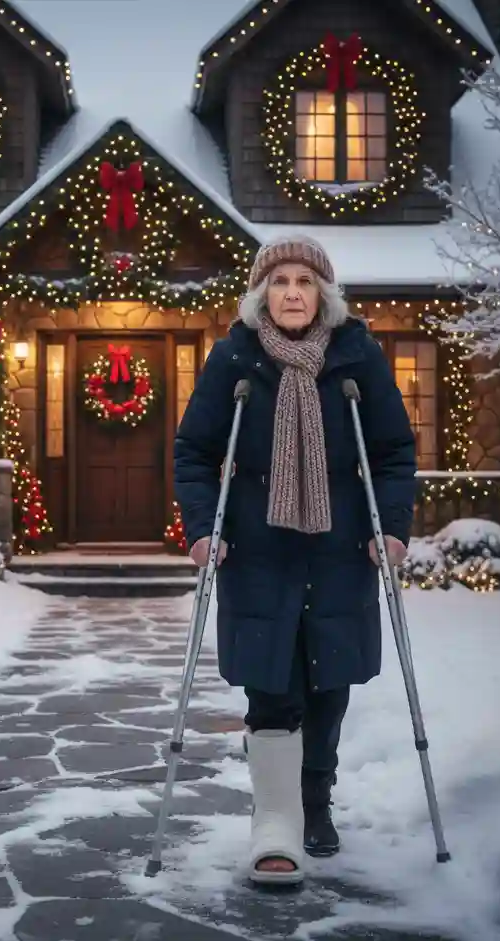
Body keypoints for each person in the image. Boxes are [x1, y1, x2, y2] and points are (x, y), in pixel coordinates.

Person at [173, 235, 417, 886]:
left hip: (340, 549)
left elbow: (393, 452)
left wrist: (389, 529)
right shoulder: (235, 361)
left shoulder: (358, 360)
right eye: (278, 280)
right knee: (271, 686)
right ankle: (276, 822)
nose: (290, 292)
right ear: (260, 294)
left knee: (328, 687)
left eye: (304, 281)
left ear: (323, 295)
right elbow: (195, 452)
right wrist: (204, 529)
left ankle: (315, 803)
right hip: (259, 548)